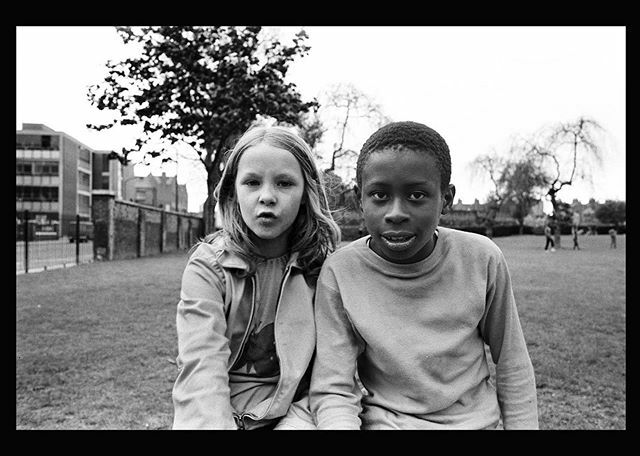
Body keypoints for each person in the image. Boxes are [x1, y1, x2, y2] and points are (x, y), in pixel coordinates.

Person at [309, 121, 539, 430]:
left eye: (417, 196)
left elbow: (512, 363)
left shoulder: (482, 258)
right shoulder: (340, 271)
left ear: (446, 199)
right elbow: (333, 387)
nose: (396, 212)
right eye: (378, 195)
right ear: (358, 199)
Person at [172, 125, 341, 430]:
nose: (267, 197)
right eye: (251, 182)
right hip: (221, 412)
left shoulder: (321, 270)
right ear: (233, 192)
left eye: (284, 183)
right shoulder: (209, 267)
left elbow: (333, 374)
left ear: (306, 194)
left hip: (294, 415)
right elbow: (201, 367)